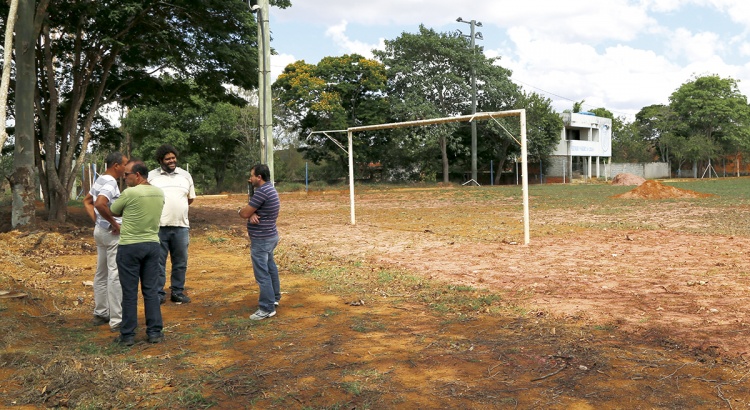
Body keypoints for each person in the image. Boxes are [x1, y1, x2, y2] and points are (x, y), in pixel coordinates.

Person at [110, 160, 165, 346]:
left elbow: (113, 210)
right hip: (152, 244)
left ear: (138, 175)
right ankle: (155, 332)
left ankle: (127, 335)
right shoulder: (159, 192)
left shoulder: (130, 193)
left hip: (130, 246)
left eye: (127, 175)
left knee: (130, 292)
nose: (124, 178)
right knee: (150, 290)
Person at [83, 152, 128, 332]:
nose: (126, 168)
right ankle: (117, 320)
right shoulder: (110, 183)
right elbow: (101, 203)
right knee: (115, 274)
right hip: (111, 233)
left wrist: (98, 221)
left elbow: (87, 201)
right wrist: (113, 222)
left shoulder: (100, 179)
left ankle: (101, 312)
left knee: (101, 273)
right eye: (125, 164)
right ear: (116, 165)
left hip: (100, 232)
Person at [148, 144, 196, 304]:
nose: (171, 161)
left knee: (180, 262)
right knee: (158, 263)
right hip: (158, 227)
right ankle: (159, 294)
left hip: (181, 227)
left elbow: (190, 198)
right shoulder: (151, 177)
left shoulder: (185, 175)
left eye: (173, 158)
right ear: (160, 160)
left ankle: (177, 292)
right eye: (168, 158)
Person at [238, 164, 281, 320]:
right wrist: (252, 213)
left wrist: (245, 212)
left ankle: (267, 308)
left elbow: (244, 213)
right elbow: (251, 211)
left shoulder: (262, 192)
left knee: (262, 274)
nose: (250, 179)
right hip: (270, 236)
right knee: (270, 268)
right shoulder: (270, 189)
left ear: (259, 177)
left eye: (252, 176)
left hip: (262, 240)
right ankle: (274, 298)